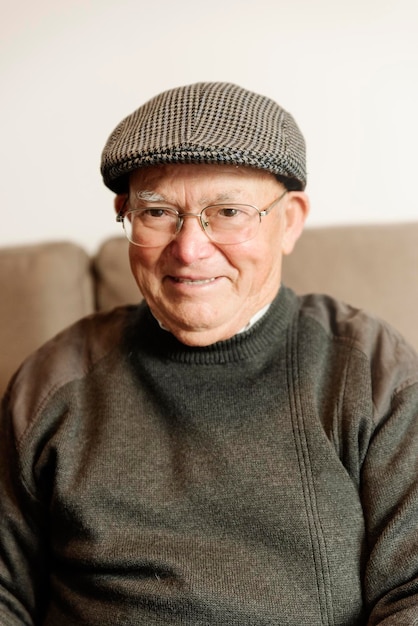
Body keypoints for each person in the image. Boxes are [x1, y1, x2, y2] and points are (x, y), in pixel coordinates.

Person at [1, 82, 418, 626]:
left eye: (227, 211)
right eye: (157, 212)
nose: (190, 248)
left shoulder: (370, 370)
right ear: (126, 215)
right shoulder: (53, 383)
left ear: (289, 221)